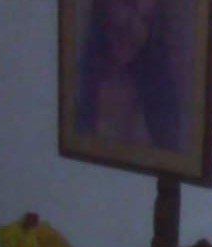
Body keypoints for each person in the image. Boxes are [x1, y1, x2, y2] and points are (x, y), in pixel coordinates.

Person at [76, 0, 185, 153]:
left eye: (146, 19)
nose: (134, 28)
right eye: (128, 5)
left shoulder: (159, 97)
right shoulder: (76, 83)